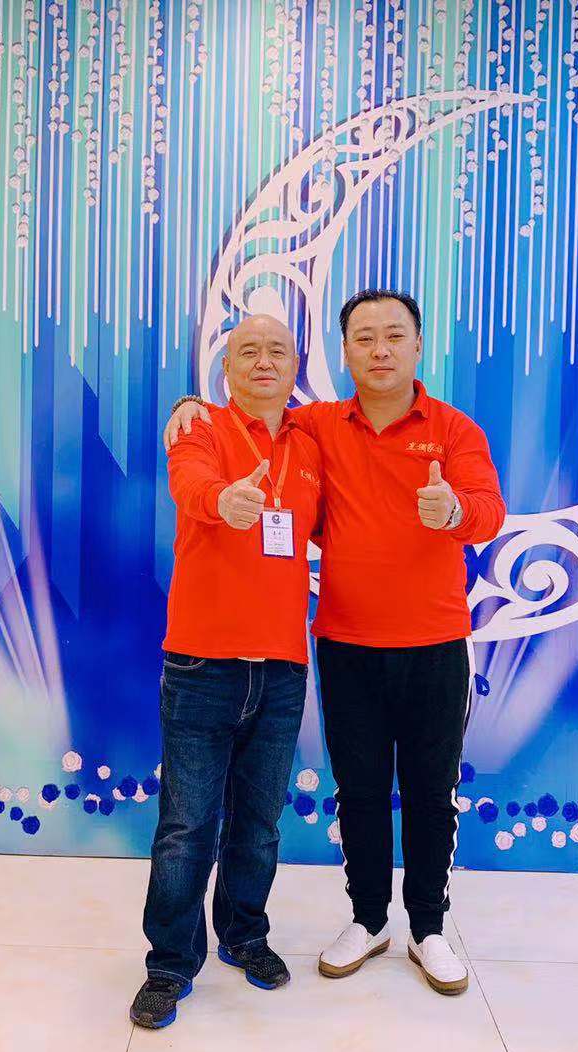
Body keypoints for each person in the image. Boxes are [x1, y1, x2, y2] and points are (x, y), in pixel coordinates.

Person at [163, 289, 506, 996]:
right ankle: (369, 918)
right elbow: (245, 415)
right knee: (358, 790)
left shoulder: (455, 429)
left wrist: (455, 511)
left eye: (394, 336)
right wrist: (186, 404)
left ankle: (428, 927)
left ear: (418, 345)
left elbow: (490, 512)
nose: (380, 350)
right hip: (345, 643)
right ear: (343, 352)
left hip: (437, 641)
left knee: (431, 791)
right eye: (364, 338)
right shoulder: (316, 425)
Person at [131, 314, 324, 1030]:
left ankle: (244, 935)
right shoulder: (200, 428)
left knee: (260, 822)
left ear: (295, 365)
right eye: (249, 351)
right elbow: (191, 487)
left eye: (278, 351)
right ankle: (169, 964)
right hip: (202, 663)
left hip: (282, 667)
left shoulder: (313, 440)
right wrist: (224, 500)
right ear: (227, 367)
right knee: (187, 825)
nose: (264, 361)